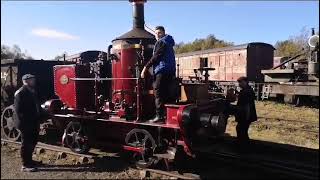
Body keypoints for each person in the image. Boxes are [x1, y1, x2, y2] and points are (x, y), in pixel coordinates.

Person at [140, 26, 176, 123]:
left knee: (158, 93)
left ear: (164, 32)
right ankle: (167, 116)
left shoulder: (162, 42)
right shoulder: (169, 42)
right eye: (156, 33)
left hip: (162, 70)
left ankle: (159, 116)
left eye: (159, 33)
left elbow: (156, 57)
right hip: (170, 71)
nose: (157, 35)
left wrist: (145, 68)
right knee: (167, 94)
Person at [14, 74, 46, 172]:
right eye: (32, 80)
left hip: (34, 122)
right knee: (26, 143)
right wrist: (27, 123)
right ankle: (25, 165)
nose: (34, 81)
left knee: (33, 141)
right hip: (26, 123)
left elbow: (36, 105)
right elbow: (19, 111)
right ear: (26, 81)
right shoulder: (20, 92)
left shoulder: (32, 91)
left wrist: (41, 116)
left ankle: (30, 161)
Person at [234, 76, 257, 149]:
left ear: (245, 82)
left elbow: (247, 105)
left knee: (241, 130)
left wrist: (246, 117)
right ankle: (244, 146)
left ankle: (243, 147)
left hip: (245, 115)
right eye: (238, 82)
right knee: (242, 130)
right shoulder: (247, 90)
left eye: (240, 82)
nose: (239, 84)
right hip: (245, 115)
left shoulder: (246, 91)